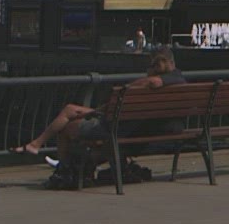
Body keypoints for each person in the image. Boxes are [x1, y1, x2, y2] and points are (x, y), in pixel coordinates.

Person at [13, 49, 184, 157]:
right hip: (134, 125)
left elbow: (152, 82)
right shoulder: (179, 82)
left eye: (154, 64)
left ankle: (62, 167)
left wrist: (132, 84)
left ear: (162, 64)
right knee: (70, 110)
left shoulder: (154, 82)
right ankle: (36, 145)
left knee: (65, 127)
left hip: (116, 127)